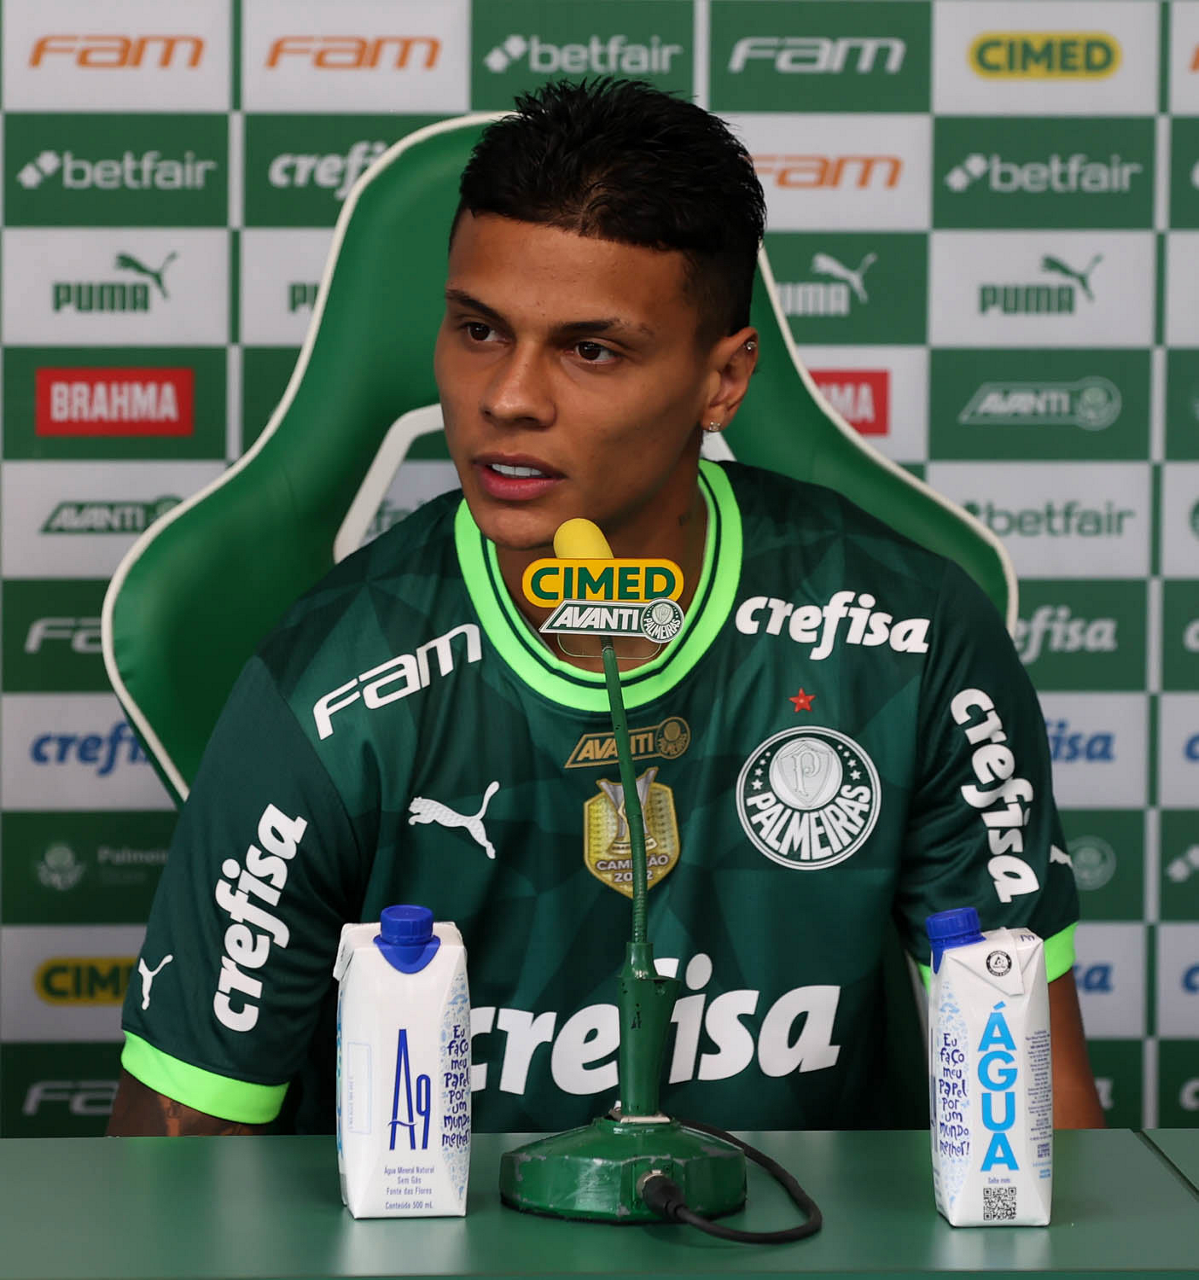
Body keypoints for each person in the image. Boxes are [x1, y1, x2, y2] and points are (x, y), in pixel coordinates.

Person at [108, 79, 1103, 1137]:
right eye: (478, 330)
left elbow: (1039, 1115)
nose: (507, 398)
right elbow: (176, 1157)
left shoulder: (911, 635)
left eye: (591, 350)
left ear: (723, 381)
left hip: (810, 1222)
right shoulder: (327, 684)